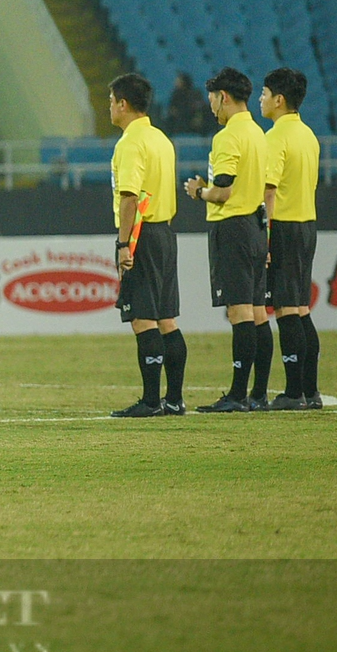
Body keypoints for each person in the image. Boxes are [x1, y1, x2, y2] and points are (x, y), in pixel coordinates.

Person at [184, 67, 269, 413]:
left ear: (224, 97)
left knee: (239, 311)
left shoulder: (227, 137)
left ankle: (236, 395)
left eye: (212, 101)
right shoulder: (259, 133)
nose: (211, 109)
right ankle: (258, 393)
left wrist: (198, 191)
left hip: (232, 228)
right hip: (256, 225)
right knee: (259, 311)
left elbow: (223, 191)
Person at [107, 74, 184, 418]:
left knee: (143, 319)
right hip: (165, 232)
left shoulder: (130, 143)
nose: (109, 107)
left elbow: (129, 197)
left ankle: (151, 401)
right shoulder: (161, 140)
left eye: (111, 101)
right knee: (167, 318)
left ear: (123, 104)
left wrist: (124, 244)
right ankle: (175, 399)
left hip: (141, 235)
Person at [261, 67, 322, 410]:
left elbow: (269, 190)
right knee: (301, 307)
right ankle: (311, 391)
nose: (261, 100)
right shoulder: (308, 135)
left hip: (283, 225)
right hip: (307, 224)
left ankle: (293, 392)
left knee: (285, 308)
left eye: (265, 94)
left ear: (279, 100)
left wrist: (266, 237)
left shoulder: (275, 138)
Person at [163, 72, 213, 137]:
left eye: (178, 80)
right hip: (180, 121)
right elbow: (172, 109)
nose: (176, 82)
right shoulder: (175, 95)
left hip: (193, 120)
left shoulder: (195, 93)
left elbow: (200, 107)